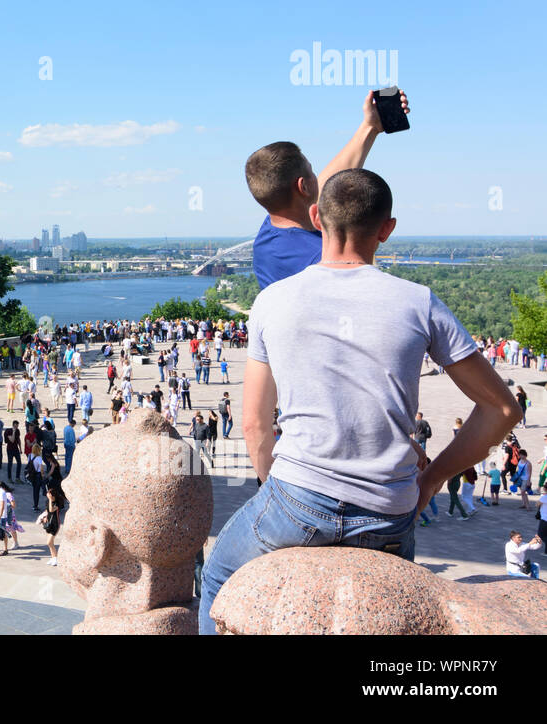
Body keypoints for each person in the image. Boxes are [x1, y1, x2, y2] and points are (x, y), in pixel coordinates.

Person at [200, 169, 522, 635]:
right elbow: (503, 410)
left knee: (218, 577)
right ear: (387, 229)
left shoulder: (272, 301)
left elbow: (253, 424)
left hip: (295, 501)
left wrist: (284, 492)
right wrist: (429, 481)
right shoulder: (420, 302)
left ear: (316, 216)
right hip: (389, 510)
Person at [246, 90, 409, 290]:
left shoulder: (269, 234)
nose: (319, 177)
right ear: (303, 186)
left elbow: (323, 186)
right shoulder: (322, 256)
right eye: (311, 171)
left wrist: (370, 127)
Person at [41, 483, 62, 566]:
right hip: (48, 523)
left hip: (55, 524)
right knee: (51, 543)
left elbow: (51, 509)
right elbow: (47, 511)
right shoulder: (48, 501)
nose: (48, 496)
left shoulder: (58, 503)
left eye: (49, 495)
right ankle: (53, 558)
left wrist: (50, 500)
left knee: (49, 542)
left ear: (53, 496)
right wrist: (44, 517)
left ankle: (56, 558)